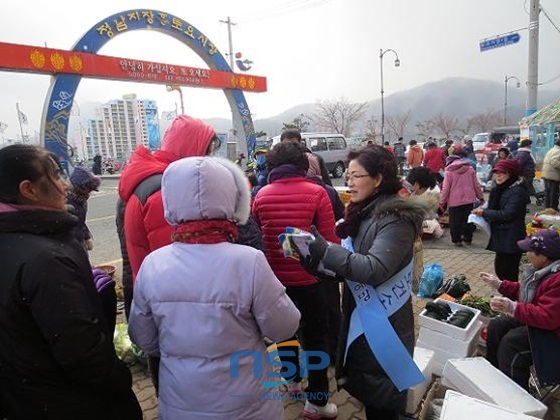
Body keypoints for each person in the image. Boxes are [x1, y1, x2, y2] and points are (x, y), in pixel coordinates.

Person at [129, 156, 300, 419]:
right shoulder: (248, 261)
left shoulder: (153, 265)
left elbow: (145, 339)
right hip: (246, 404)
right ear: (231, 198)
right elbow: (284, 327)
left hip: (181, 402)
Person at [0, 144, 141, 419]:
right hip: (73, 402)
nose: (65, 185)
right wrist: (120, 380)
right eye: (55, 176)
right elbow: (82, 353)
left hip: (27, 396)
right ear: (28, 189)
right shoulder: (46, 259)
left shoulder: (21, 240)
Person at [302, 146, 432, 420]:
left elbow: (374, 268)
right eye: (347, 176)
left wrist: (328, 251)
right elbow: (353, 266)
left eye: (355, 175)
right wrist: (316, 262)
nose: (348, 182)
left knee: (382, 399)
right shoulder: (365, 213)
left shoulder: (395, 218)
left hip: (386, 322)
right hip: (362, 316)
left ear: (378, 179)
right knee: (373, 394)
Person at [117, 114, 221, 388]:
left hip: (153, 300)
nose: (209, 160)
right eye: (207, 152)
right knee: (181, 384)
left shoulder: (149, 180)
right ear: (191, 151)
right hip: (173, 310)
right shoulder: (163, 191)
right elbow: (177, 263)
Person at [252, 142, 339, 419]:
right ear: (303, 165)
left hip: (275, 282)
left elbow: (257, 236)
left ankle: (292, 383)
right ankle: (317, 402)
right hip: (311, 280)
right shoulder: (318, 193)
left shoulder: (261, 195)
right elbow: (330, 241)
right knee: (315, 337)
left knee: (285, 333)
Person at [481, 229, 560, 390]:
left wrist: (514, 307)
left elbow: (547, 317)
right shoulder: (544, 270)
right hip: (543, 324)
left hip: (554, 335)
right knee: (497, 326)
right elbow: (526, 290)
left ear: (544, 256)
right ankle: (493, 378)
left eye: (530, 251)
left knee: (511, 344)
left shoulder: (557, 279)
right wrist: (500, 284)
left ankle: (515, 396)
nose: (526, 254)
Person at [306, 152, 344, 361]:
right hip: (327, 258)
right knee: (331, 305)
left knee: (310, 311)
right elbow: (340, 221)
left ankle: (313, 351)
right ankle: (334, 350)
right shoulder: (328, 191)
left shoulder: (269, 191)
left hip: (302, 260)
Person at [472, 159, 527, 280]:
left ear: (511, 174)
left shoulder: (518, 191)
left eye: (502, 173)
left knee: (508, 271)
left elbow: (507, 214)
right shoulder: (502, 188)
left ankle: (511, 296)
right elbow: (496, 207)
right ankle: (507, 294)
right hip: (503, 236)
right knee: (500, 268)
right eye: (496, 173)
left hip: (512, 237)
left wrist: (484, 212)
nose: (498, 176)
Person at [440, 154, 483, 246]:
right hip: (469, 199)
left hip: (454, 201)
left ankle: (457, 240)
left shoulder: (449, 171)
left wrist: (442, 201)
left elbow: (446, 188)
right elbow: (476, 185)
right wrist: (481, 197)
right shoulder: (470, 169)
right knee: (468, 220)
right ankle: (468, 238)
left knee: (455, 221)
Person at [67, 166, 101, 251]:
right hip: (71, 246)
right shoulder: (66, 202)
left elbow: (81, 222)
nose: (90, 191)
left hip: (80, 241)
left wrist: (86, 237)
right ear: (79, 187)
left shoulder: (82, 199)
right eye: (88, 188)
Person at [542, 138, 560, 211]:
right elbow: (554, 161)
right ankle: (552, 209)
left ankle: (548, 207)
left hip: (548, 174)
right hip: (553, 176)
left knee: (548, 193)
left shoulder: (552, 150)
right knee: (553, 194)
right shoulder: (558, 151)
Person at [516, 139, 536, 204]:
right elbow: (519, 165)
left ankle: (526, 201)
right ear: (526, 145)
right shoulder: (524, 154)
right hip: (526, 175)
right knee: (525, 189)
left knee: (526, 189)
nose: (530, 146)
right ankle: (524, 202)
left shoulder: (525, 153)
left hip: (527, 174)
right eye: (529, 145)